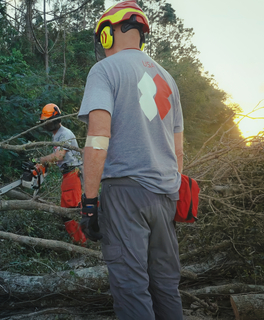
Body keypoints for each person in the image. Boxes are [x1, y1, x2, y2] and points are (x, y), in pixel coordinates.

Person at [77, 1, 184, 319]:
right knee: (166, 286)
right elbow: (178, 152)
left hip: (124, 192)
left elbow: (97, 141)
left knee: (131, 289)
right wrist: (172, 196)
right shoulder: (168, 80)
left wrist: (90, 201)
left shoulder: (104, 70)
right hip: (164, 195)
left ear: (108, 35)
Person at [37, 103, 86, 245]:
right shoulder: (57, 135)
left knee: (71, 212)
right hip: (68, 175)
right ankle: (81, 243)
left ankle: (82, 246)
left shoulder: (64, 134)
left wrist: (40, 160)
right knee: (69, 212)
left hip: (73, 173)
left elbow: (59, 156)